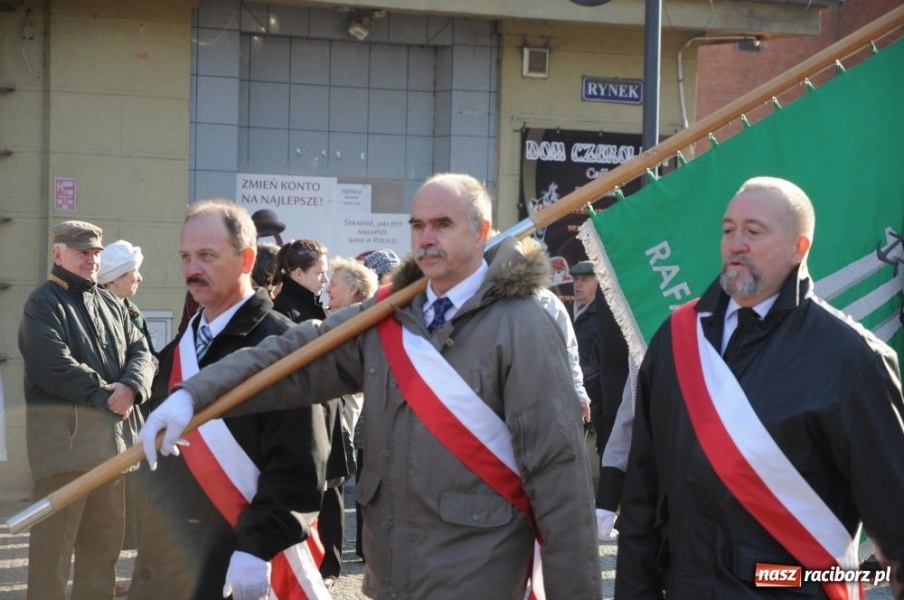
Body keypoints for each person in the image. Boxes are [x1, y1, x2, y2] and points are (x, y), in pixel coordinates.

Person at [140, 173, 602, 599]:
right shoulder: (392, 314)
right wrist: (194, 394)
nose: (426, 237)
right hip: (390, 575)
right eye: (417, 224)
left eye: (443, 223)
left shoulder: (523, 325)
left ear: (482, 233)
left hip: (477, 573)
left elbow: (559, 478)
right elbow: (296, 355)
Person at [616, 176, 904, 598]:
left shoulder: (853, 360)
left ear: (799, 248)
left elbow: (896, 526)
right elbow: (641, 496)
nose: (735, 243)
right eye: (728, 229)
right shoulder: (676, 338)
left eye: (754, 231)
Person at [130, 200, 332, 600]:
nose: (191, 269)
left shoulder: (281, 345)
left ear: (246, 259)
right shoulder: (181, 347)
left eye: (206, 255)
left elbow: (299, 464)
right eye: (186, 256)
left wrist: (258, 546)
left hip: (233, 561)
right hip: (170, 560)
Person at [18, 221, 155, 600]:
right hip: (64, 453)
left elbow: (143, 353)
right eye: (82, 252)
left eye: (96, 253)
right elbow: (53, 367)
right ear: (58, 254)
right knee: (52, 561)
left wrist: (132, 387)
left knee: (102, 558)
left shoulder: (113, 303)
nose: (91, 260)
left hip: (112, 453)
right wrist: (107, 395)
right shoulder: (42, 303)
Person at [318, 256, 378, 586]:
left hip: (340, 417)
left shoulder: (354, 323)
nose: (328, 287)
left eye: (334, 283)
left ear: (353, 290)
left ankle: (329, 564)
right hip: (334, 415)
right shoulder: (332, 318)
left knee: (335, 489)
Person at [272, 238, 329, 322]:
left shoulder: (311, 306)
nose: (326, 279)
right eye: (320, 273)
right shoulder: (282, 311)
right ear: (299, 273)